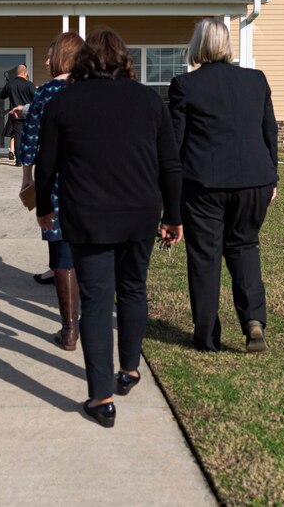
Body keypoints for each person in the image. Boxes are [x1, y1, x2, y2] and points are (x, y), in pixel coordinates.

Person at [34, 29, 183, 428]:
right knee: (133, 287)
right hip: (140, 212)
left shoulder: (64, 102)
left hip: (88, 215)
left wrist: (44, 208)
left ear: (83, 62)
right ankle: (130, 369)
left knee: (97, 300)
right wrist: (173, 216)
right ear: (124, 60)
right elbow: (170, 163)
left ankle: (101, 398)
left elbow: (45, 166)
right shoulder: (150, 100)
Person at [168, 18, 278, 354]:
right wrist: (272, 176)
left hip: (205, 183)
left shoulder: (185, 85)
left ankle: (206, 335)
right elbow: (269, 131)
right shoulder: (256, 80)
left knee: (205, 255)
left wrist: (169, 196)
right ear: (227, 45)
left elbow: (175, 143)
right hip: (254, 179)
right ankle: (253, 321)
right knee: (245, 246)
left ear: (197, 46)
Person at [18, 31, 84, 348]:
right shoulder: (93, 88)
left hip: (56, 180)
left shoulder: (46, 92)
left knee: (62, 252)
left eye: (50, 54)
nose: (45, 60)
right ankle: (90, 318)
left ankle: (69, 328)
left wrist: (27, 178)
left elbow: (30, 142)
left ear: (62, 56)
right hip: (94, 181)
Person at [0, 63, 35, 162]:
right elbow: (37, 99)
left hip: (16, 116)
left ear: (16, 73)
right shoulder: (29, 85)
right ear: (25, 73)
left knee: (17, 137)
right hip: (28, 114)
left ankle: (18, 161)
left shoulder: (10, 84)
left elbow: (2, 96)